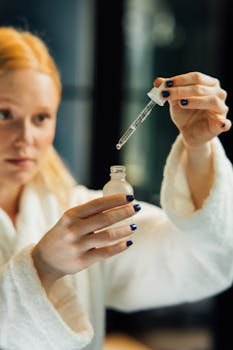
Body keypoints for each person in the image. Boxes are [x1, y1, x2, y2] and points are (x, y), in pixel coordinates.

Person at [0, 26, 232, 350]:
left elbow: (205, 262)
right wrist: (42, 267)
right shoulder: (75, 229)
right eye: (4, 113)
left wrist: (198, 149)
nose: (25, 137)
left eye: (41, 118)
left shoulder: (77, 216)